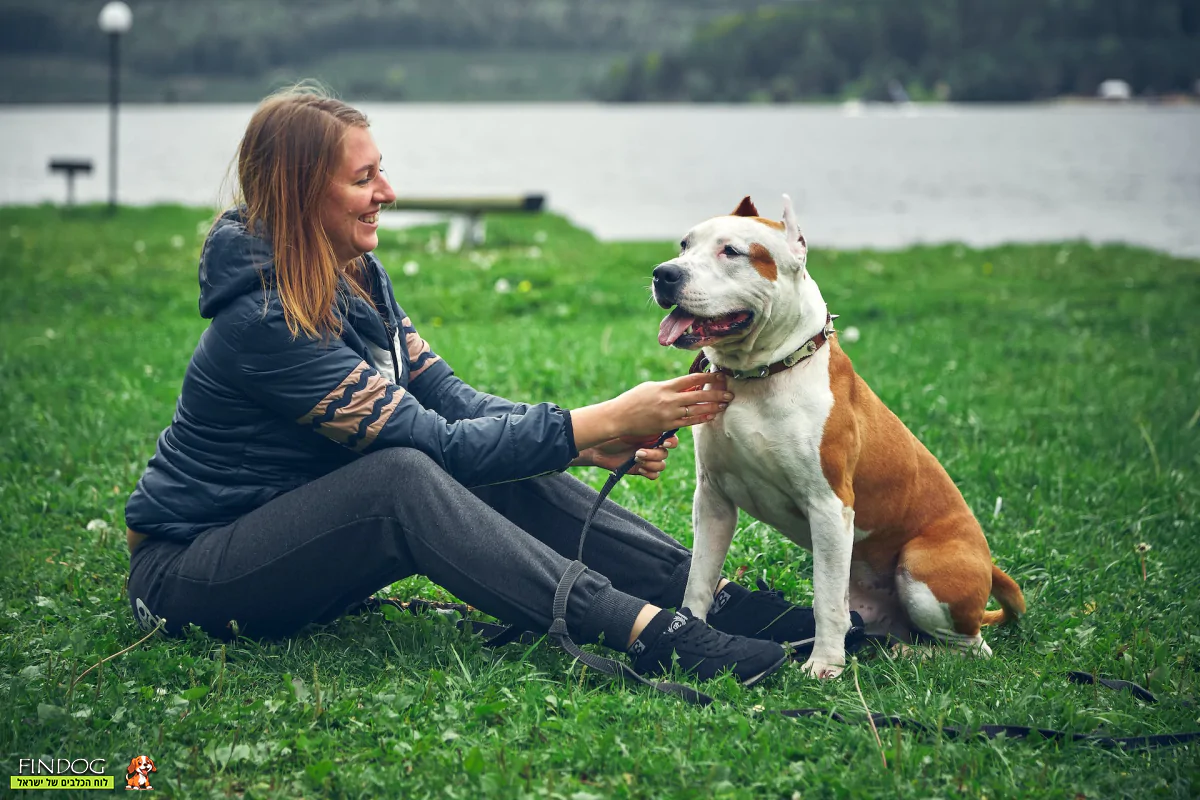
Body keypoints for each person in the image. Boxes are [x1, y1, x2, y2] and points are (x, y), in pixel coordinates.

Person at [124, 87, 817, 687]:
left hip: (296, 549)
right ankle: (646, 631)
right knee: (400, 478)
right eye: (365, 179)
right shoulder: (264, 321)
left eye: (382, 173)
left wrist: (580, 442)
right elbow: (438, 447)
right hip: (191, 574)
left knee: (485, 460)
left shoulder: (358, 278)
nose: (387, 194)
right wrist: (601, 418)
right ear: (304, 191)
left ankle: (705, 596)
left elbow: (451, 403)